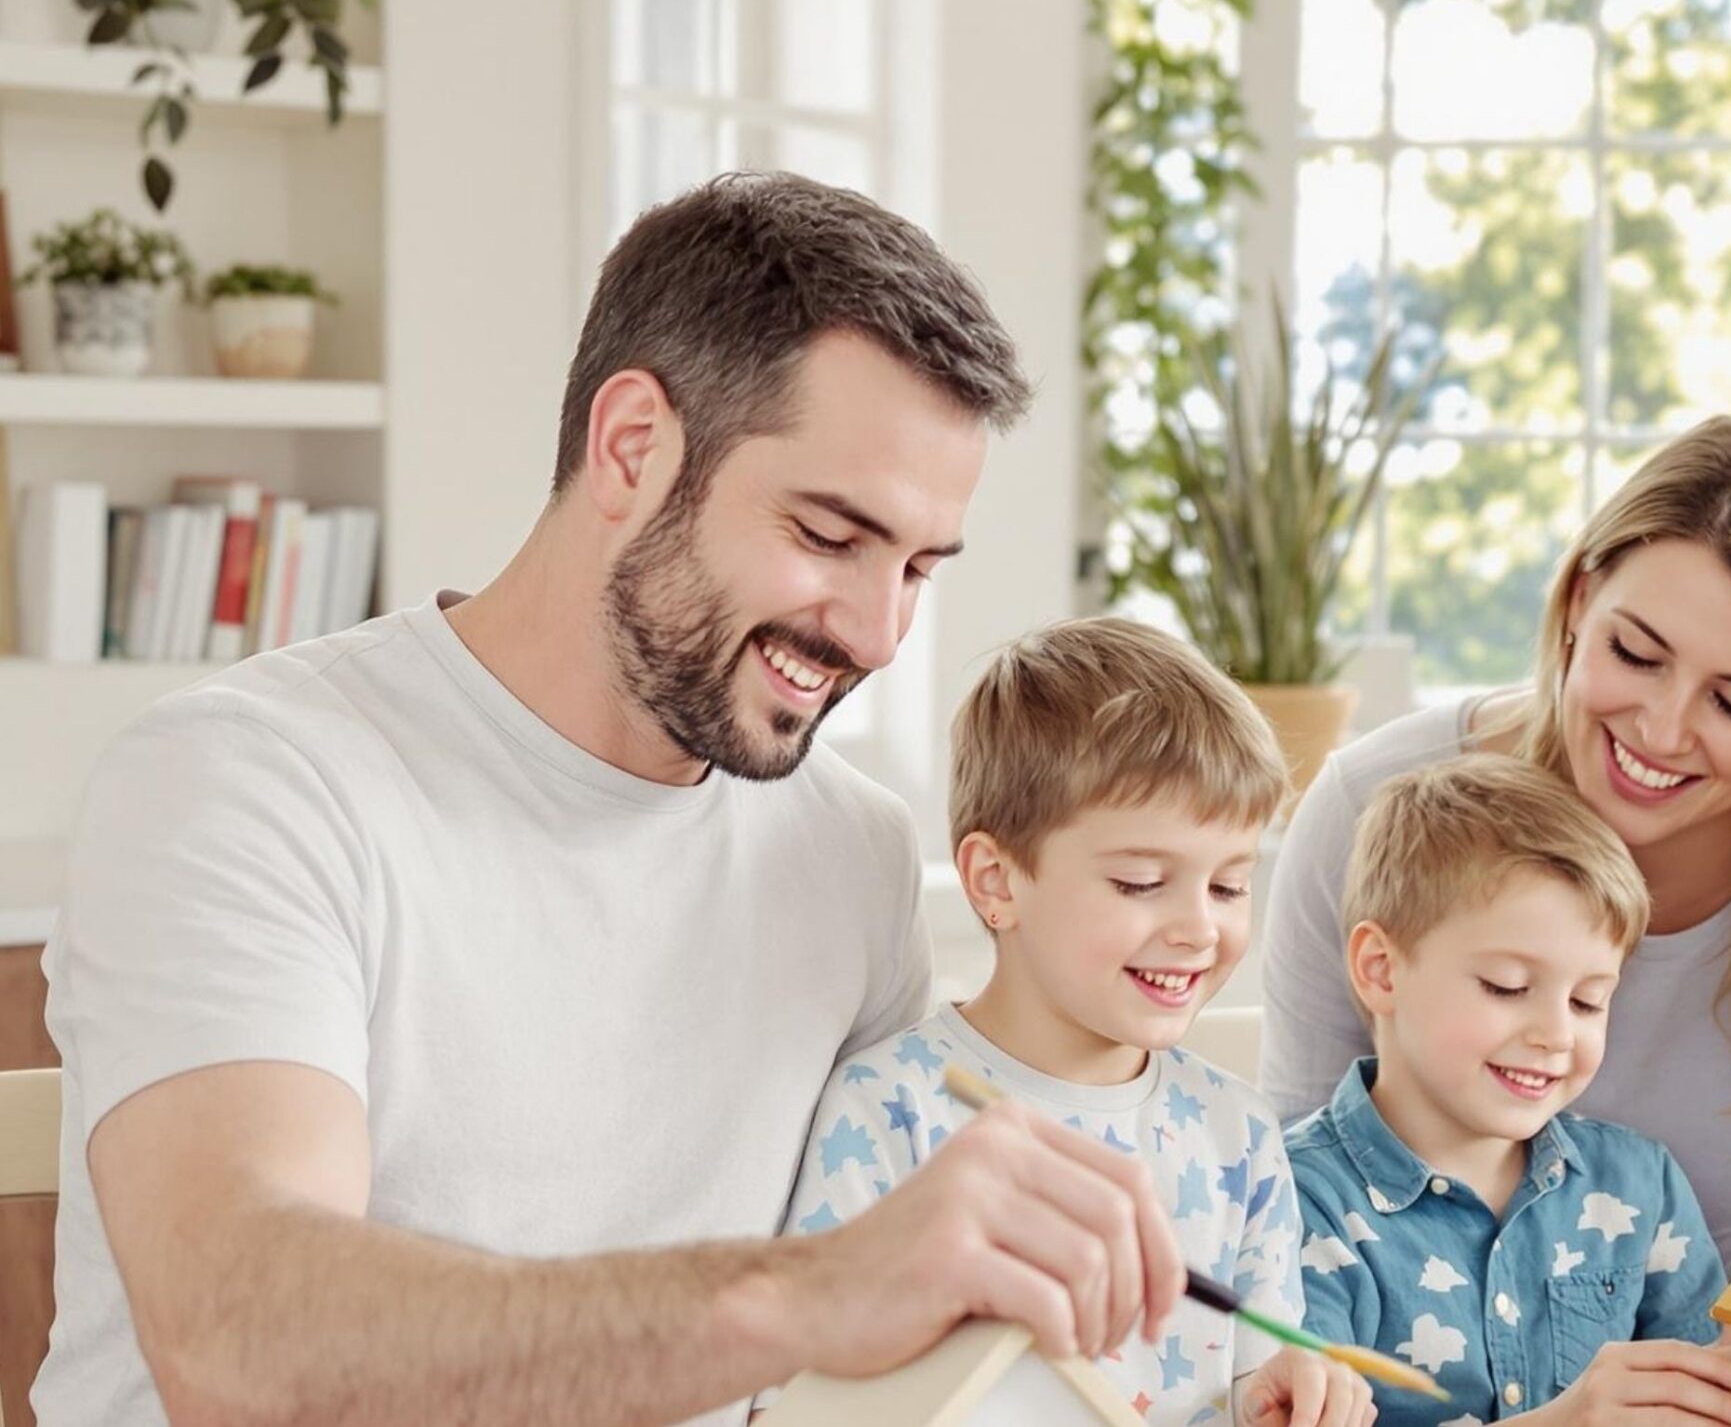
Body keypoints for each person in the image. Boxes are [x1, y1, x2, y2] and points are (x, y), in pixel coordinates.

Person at [35, 173, 1182, 1427]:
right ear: (632, 446)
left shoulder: (848, 849)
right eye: (827, 536)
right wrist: (804, 1296)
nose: (876, 632)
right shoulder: (247, 782)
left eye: (916, 567)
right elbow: (243, 1343)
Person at [1260, 414, 1731, 1275]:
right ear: (1580, 599)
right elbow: (1295, 1224)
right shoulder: (1369, 806)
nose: (1662, 730)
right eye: (1636, 653)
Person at [777, 617, 1371, 1427]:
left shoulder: (1239, 1132)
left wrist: (1289, 1391)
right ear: (997, 881)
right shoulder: (888, 1107)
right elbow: (801, 1400)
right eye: (1140, 882)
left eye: (1229, 886)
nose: (1199, 928)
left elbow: (1253, 1380)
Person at [1288, 755, 1731, 1427]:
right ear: (1381, 970)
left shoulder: (1640, 1185)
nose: (1556, 1034)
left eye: (1588, 1001)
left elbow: (1720, 1400)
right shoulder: (1293, 1200)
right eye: (1507, 986)